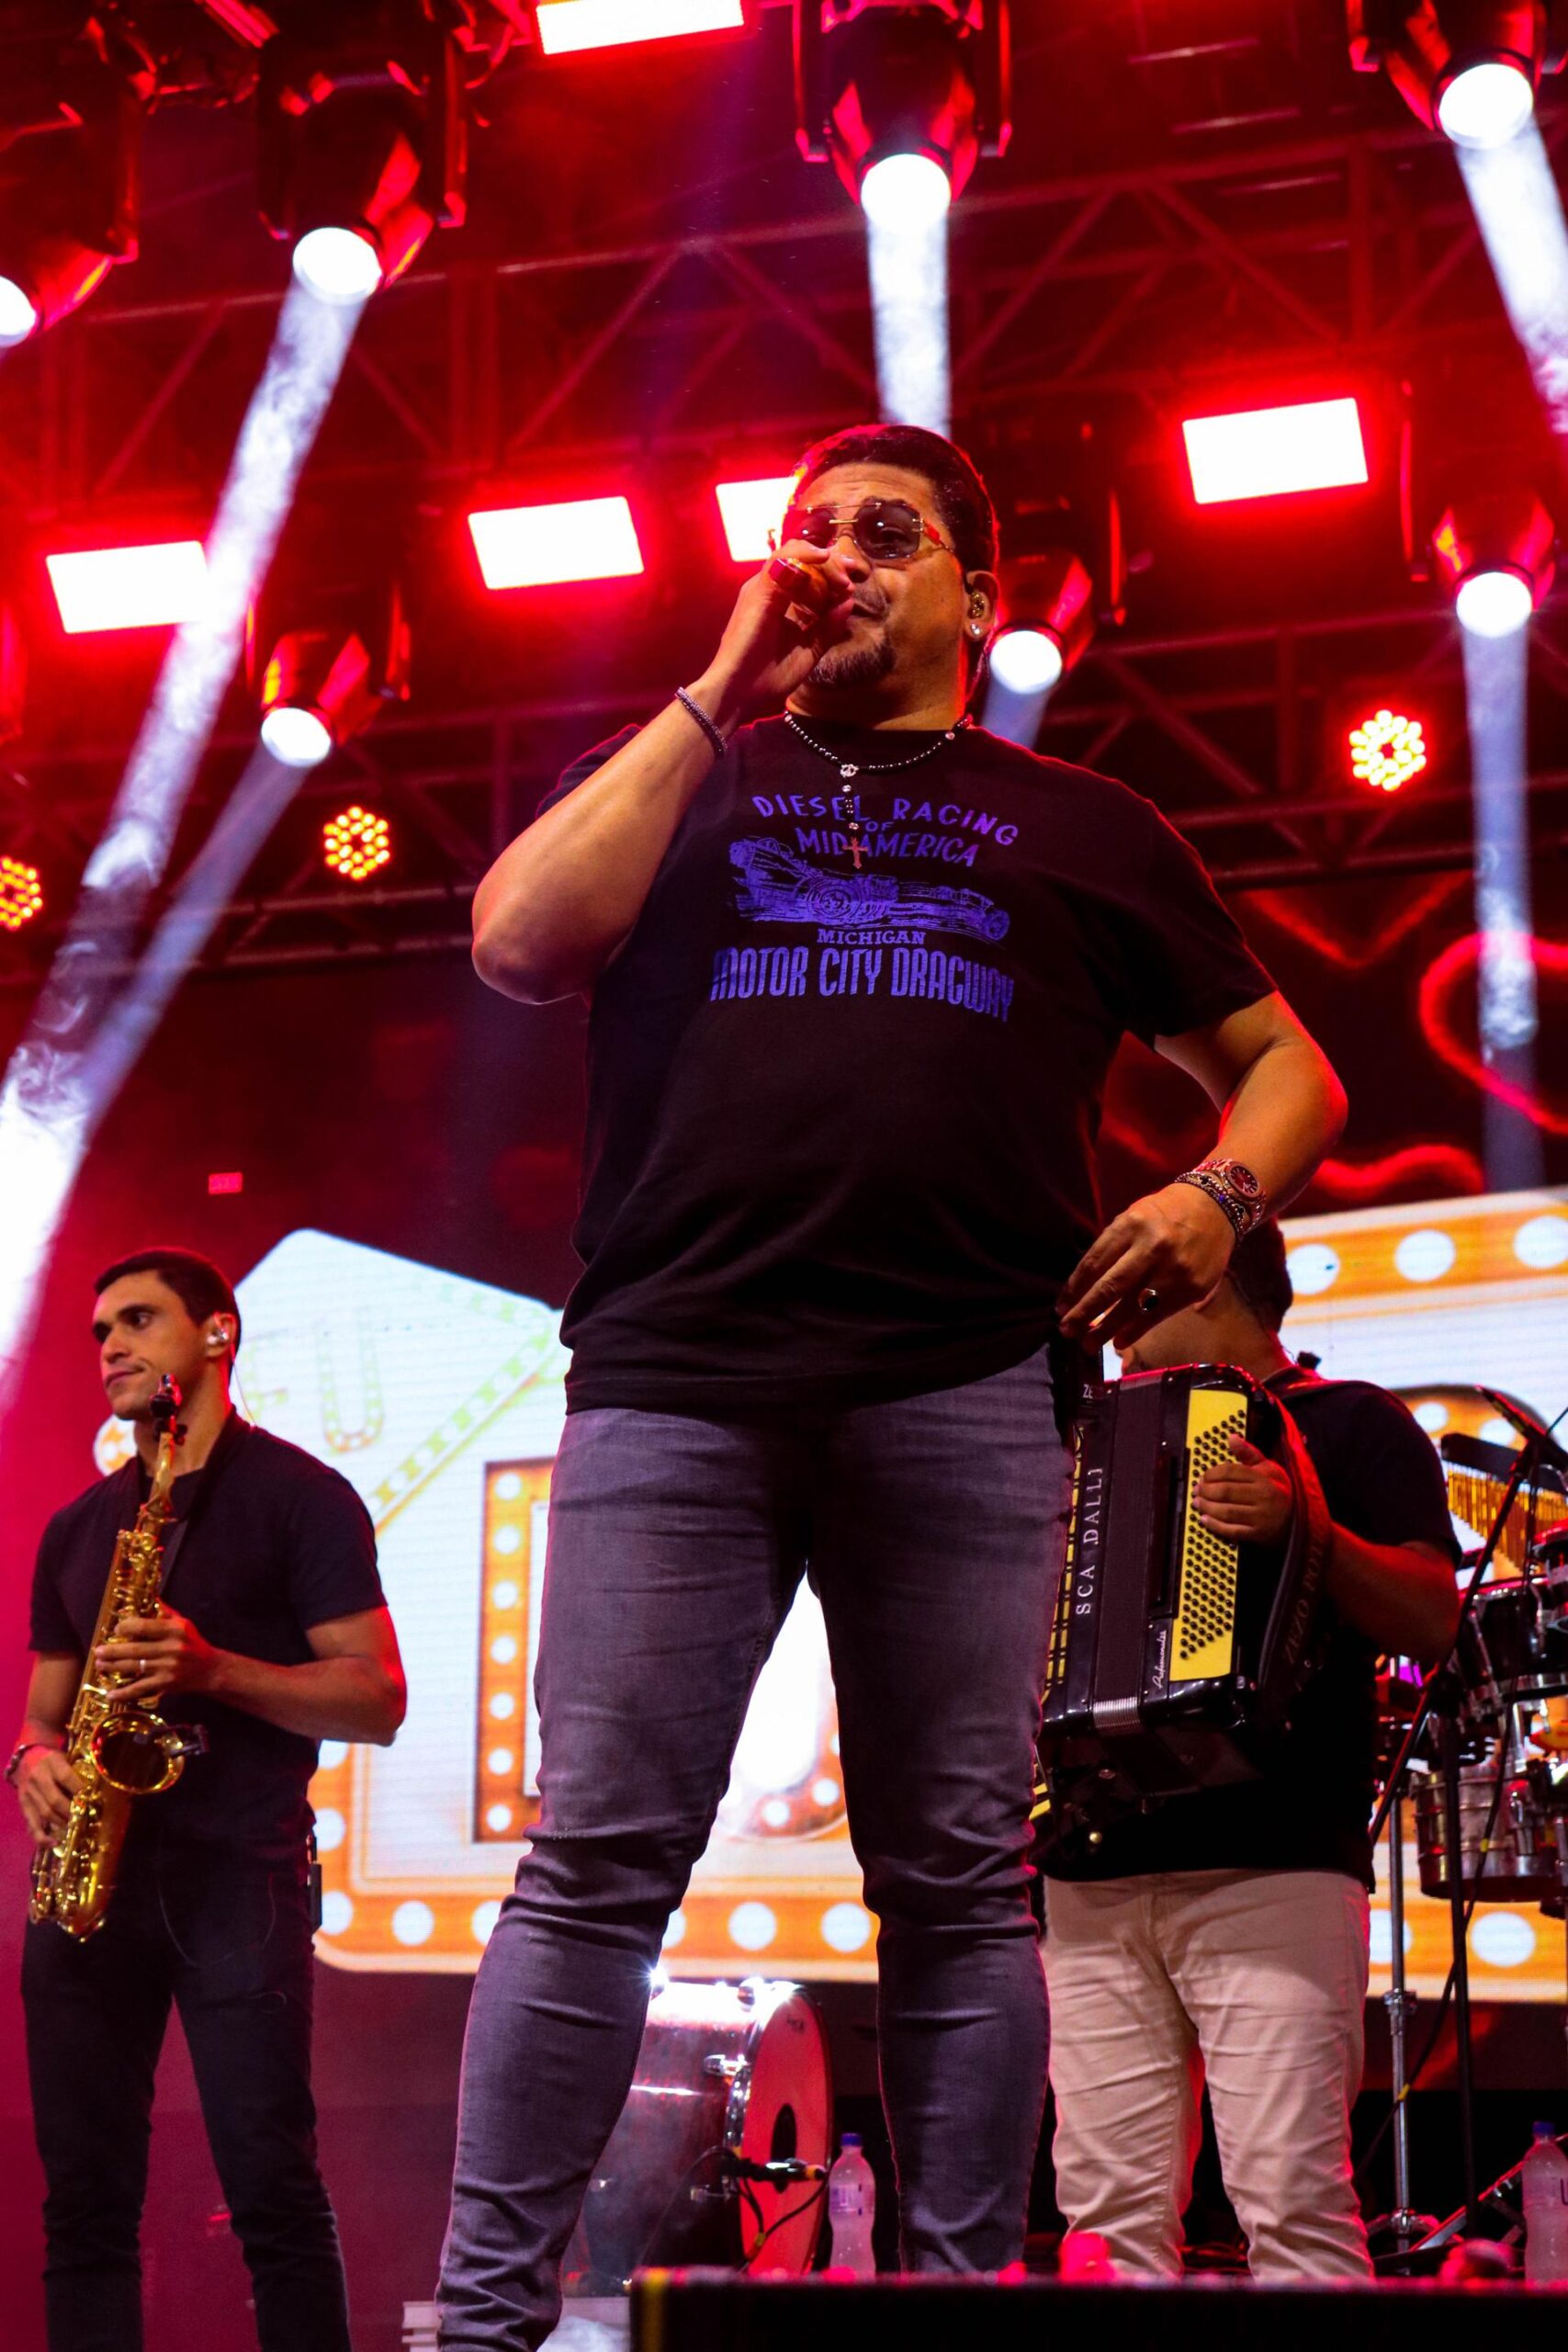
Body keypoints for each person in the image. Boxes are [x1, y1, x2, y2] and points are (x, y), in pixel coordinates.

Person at [439, 420, 1346, 2348]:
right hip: (678, 1378)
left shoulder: (1080, 824)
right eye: (805, 532)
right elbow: (514, 939)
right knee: (594, 1857)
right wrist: (713, 688)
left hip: (962, 1384)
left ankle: (952, 2308)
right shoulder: (685, 772)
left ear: (974, 593)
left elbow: (1290, 1069)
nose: (833, 557)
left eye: (883, 531)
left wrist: (1211, 1196)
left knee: (951, 1880)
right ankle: (487, 2322)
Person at [1041, 1217, 1461, 2282]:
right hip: (1092, 1868)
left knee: (1292, 2205)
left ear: (1207, 1275)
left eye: (1135, 1287)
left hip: (1273, 1862)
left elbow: (1432, 1620)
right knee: (1104, 2226)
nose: (1111, 1316)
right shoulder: (1086, 1433)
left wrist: (1301, 1525)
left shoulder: (1353, 1421)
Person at [10, 1247, 407, 2352]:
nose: (109, 1347)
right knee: (83, 2209)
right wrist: (30, 1760)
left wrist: (212, 1668)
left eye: (137, 1320)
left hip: (239, 1880)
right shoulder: (79, 1527)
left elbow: (378, 1699)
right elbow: (41, 1716)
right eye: (99, 1331)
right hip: (90, 1886)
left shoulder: (302, 1498)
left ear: (218, 1334)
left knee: (272, 2195)